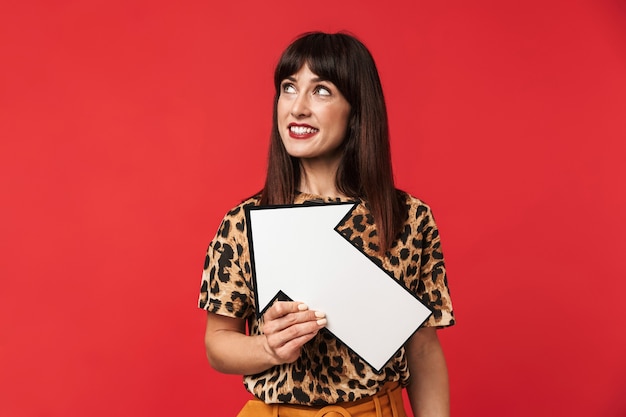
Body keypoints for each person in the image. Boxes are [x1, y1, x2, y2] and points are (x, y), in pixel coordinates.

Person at [198, 32, 455, 417]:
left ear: (357, 109)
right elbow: (217, 341)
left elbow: (422, 348)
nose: (298, 107)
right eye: (289, 88)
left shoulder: (408, 218)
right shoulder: (245, 222)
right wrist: (265, 348)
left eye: (321, 91)